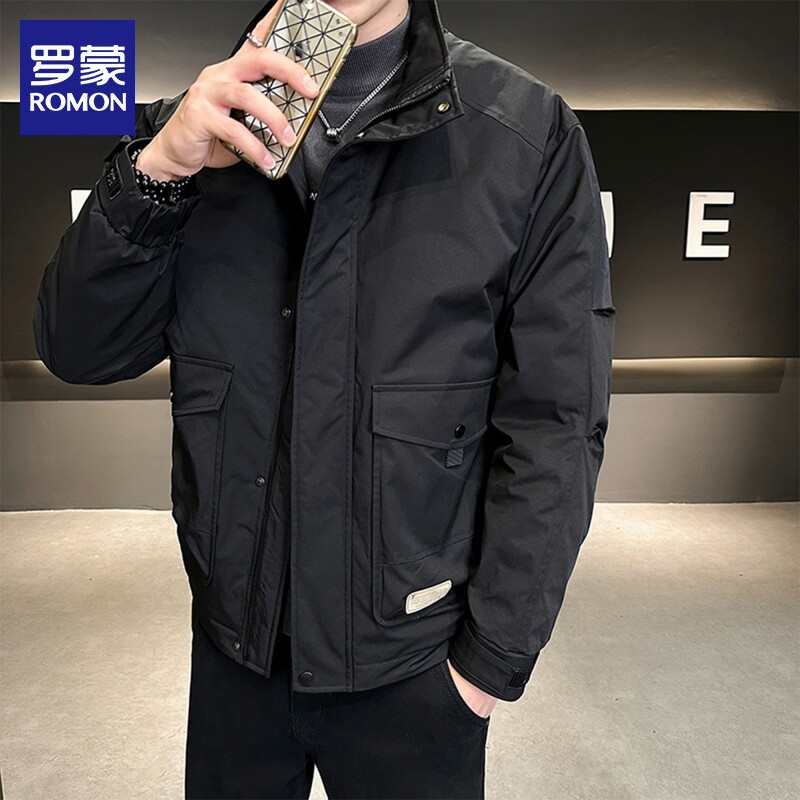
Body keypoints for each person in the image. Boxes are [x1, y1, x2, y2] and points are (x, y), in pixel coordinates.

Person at [33, 0, 616, 797]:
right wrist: (157, 172)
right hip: (235, 655)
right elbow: (78, 349)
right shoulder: (189, 133)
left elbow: (557, 420)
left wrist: (487, 666)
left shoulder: (523, 134)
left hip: (414, 667)